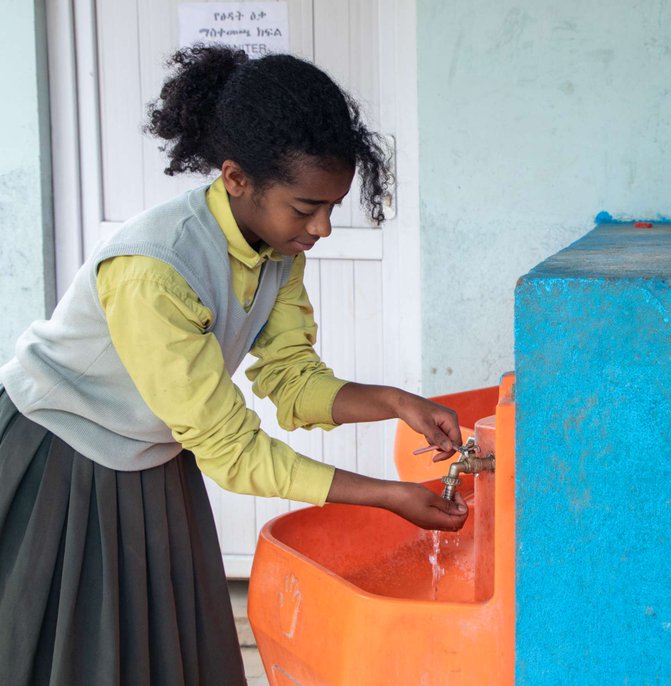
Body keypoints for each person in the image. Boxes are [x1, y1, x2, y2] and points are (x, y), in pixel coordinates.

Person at [0, 45, 468, 685]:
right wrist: (386, 497)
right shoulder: (154, 270)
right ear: (236, 178)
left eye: (333, 208)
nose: (323, 228)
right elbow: (235, 453)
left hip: (152, 458)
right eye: (307, 209)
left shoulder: (276, 247)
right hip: (58, 462)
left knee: (165, 658)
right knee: (69, 654)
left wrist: (395, 402)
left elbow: (292, 383)